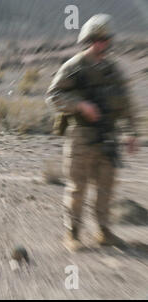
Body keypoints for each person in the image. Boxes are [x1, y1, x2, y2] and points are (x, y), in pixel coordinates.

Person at [46, 14, 139, 252]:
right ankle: (72, 233)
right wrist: (80, 105)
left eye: (104, 38)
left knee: (106, 187)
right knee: (77, 187)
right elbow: (53, 96)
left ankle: (104, 231)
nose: (100, 43)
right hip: (82, 137)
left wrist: (131, 132)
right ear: (88, 39)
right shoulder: (74, 67)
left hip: (108, 137)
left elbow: (126, 102)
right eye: (96, 38)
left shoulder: (112, 69)